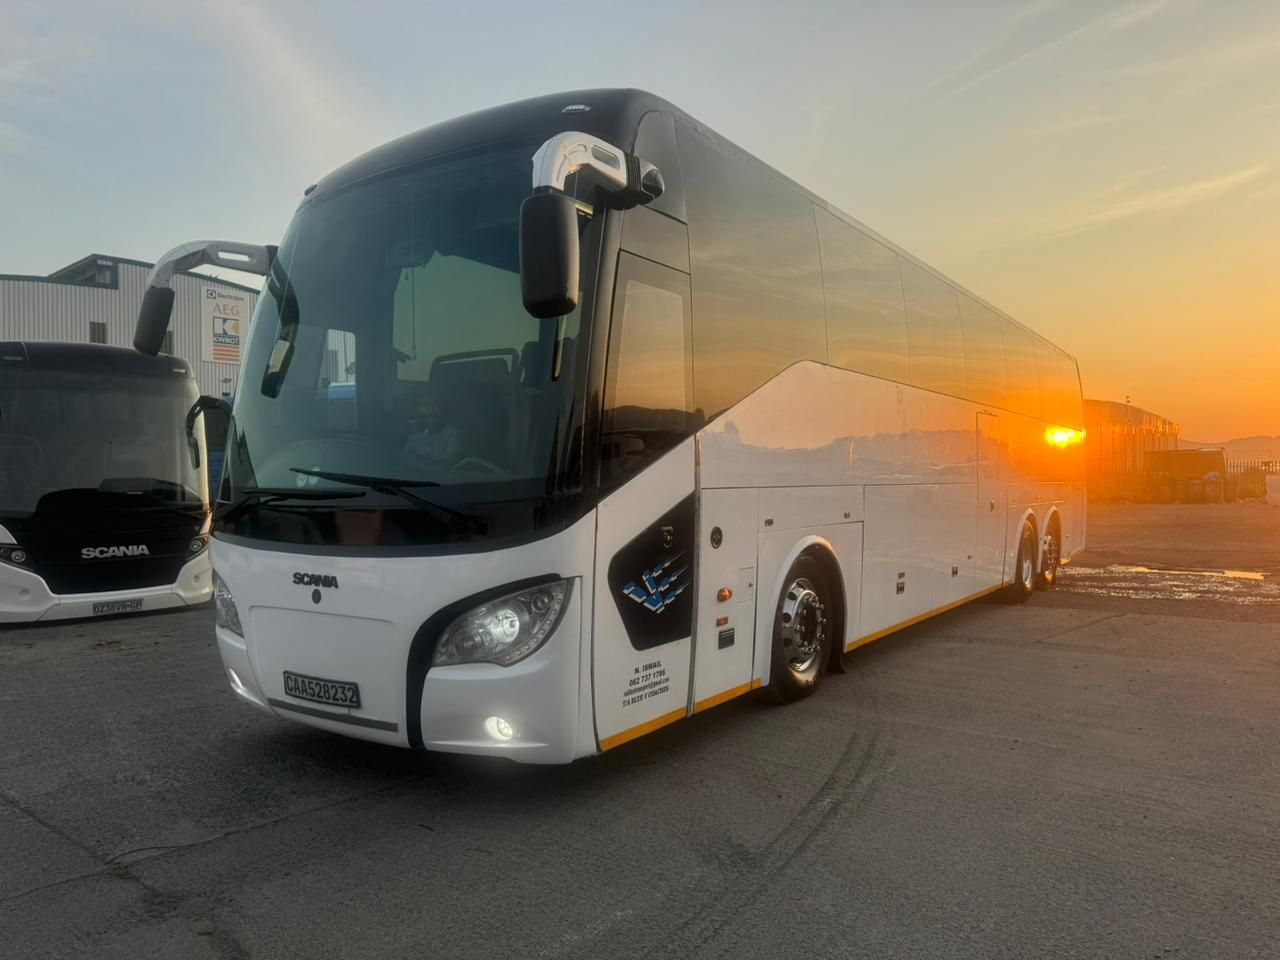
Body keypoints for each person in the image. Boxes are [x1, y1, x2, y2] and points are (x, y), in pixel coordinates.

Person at [403, 392, 459, 463]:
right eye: (426, 406)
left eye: (436, 406)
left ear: (442, 409)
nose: (431, 410)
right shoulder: (413, 439)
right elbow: (403, 463)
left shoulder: (453, 435)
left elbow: (447, 466)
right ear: (418, 410)